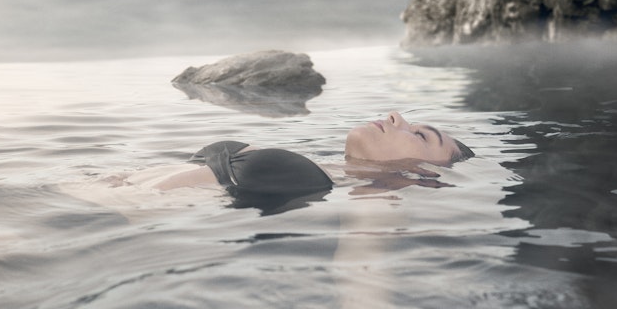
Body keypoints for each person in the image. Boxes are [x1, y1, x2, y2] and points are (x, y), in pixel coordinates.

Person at [135, 111, 473, 205]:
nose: (396, 116)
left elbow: (366, 257)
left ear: (428, 173)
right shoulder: (324, 165)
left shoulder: (376, 198)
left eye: (420, 135)